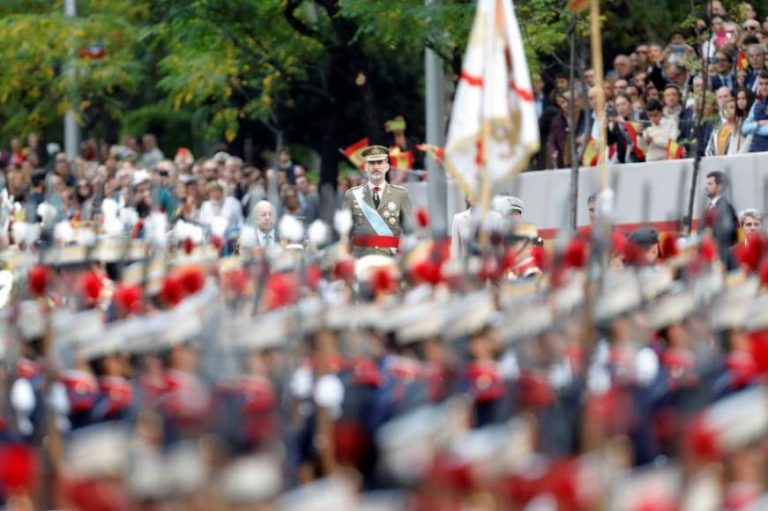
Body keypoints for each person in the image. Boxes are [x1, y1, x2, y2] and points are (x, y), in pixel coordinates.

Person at [343, 145, 412, 258]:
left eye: (380, 163)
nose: (376, 167)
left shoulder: (400, 194)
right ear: (365, 167)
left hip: (390, 259)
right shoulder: (353, 195)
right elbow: (348, 232)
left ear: (387, 167)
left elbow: (407, 229)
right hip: (362, 258)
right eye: (371, 163)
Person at [704, 170, 739, 265]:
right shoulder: (711, 207)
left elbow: (728, 236)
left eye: (710, 184)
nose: (706, 187)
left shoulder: (725, 208)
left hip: (721, 258)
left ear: (719, 187)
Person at [742, 70, 768, 153]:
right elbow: (744, 128)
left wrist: (754, 129)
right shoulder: (756, 103)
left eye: (767, 84)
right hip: (755, 149)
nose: (764, 87)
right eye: (761, 84)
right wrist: (758, 124)